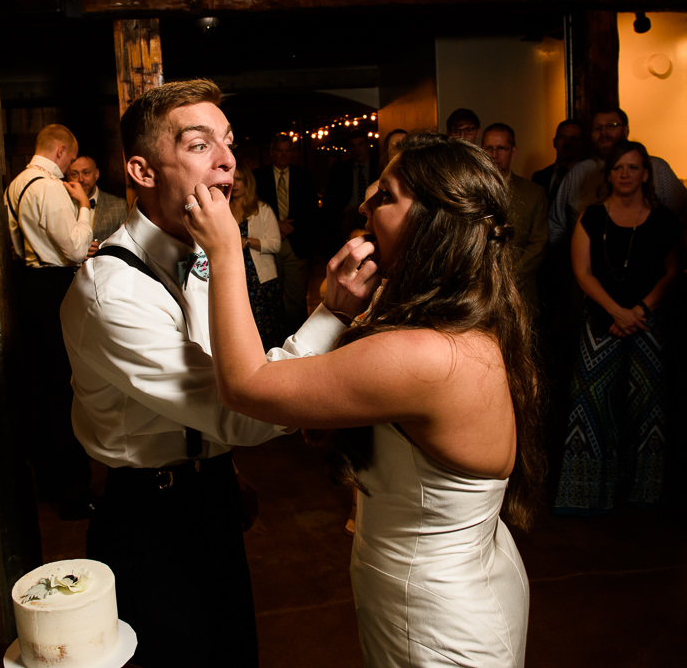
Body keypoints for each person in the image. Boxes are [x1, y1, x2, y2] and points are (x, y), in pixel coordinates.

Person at [183, 134, 543, 668]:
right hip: (456, 583)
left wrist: (225, 251)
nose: (363, 207)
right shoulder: (460, 313)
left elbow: (244, 387)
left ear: (432, 221)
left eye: (386, 196)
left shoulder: (424, 353)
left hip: (438, 616)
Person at [60, 80, 376, 668]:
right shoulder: (113, 291)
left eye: (229, 143)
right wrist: (330, 314)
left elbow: (229, 375)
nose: (229, 159)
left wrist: (215, 468)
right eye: (200, 144)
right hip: (148, 517)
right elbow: (245, 409)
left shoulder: (199, 250)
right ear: (143, 171)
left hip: (208, 491)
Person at [553, 140, 681, 514]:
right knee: (589, 405)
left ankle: (644, 495)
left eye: (633, 167)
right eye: (618, 168)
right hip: (601, 321)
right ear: (608, 174)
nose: (625, 174)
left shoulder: (664, 220)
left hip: (647, 321)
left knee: (649, 409)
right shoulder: (591, 217)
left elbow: (673, 272)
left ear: (645, 173)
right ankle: (585, 496)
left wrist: (639, 310)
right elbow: (582, 272)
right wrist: (616, 311)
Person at [3, 124, 95, 516]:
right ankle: (76, 495)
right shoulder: (49, 186)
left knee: (42, 390)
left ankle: (51, 485)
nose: (71, 169)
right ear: (60, 151)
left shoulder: (17, 185)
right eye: (71, 160)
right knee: (67, 390)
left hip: (29, 286)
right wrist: (85, 206)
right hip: (54, 287)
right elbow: (74, 250)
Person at [547, 109, 687, 246]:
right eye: (598, 128)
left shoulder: (657, 167)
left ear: (626, 130)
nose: (604, 132)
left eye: (612, 125)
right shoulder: (577, 173)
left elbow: (682, 217)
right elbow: (556, 226)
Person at [254, 134, 319, 335]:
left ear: (292, 153)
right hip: (266, 245)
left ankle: (298, 342)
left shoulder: (304, 175)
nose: (283, 155)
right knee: (270, 298)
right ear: (272, 152)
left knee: (296, 300)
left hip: (296, 244)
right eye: (279, 151)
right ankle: (275, 340)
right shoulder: (258, 176)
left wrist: (291, 226)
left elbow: (312, 210)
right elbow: (253, 209)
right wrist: (276, 225)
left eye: (287, 151)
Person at [482, 123, 547, 312]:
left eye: (501, 148)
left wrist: (508, 277)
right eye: (489, 148)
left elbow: (539, 244)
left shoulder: (533, 193)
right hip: (479, 293)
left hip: (521, 292)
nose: (494, 154)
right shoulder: (471, 191)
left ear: (513, 151)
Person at [230, 167, 283, 349]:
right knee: (240, 325)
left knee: (267, 327)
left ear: (248, 183)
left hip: (260, 279)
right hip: (234, 277)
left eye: (239, 179)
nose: (234, 184)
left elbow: (276, 244)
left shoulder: (262, 209)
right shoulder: (222, 211)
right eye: (231, 179)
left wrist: (248, 241)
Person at [325, 130, 379, 245]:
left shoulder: (378, 167)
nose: (357, 149)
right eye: (353, 146)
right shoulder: (339, 170)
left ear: (367, 145)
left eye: (360, 144)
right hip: (347, 218)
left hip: (372, 216)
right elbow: (330, 199)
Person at [66, 152, 129, 249]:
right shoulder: (63, 204)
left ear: (96, 174)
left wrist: (101, 249)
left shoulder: (118, 206)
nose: (81, 179)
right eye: (74, 174)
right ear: (68, 177)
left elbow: (125, 243)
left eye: (86, 173)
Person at [532, 119, 584, 204]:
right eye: (563, 137)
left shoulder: (588, 177)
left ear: (581, 143)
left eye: (573, 138)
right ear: (554, 142)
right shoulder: (539, 177)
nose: (567, 143)